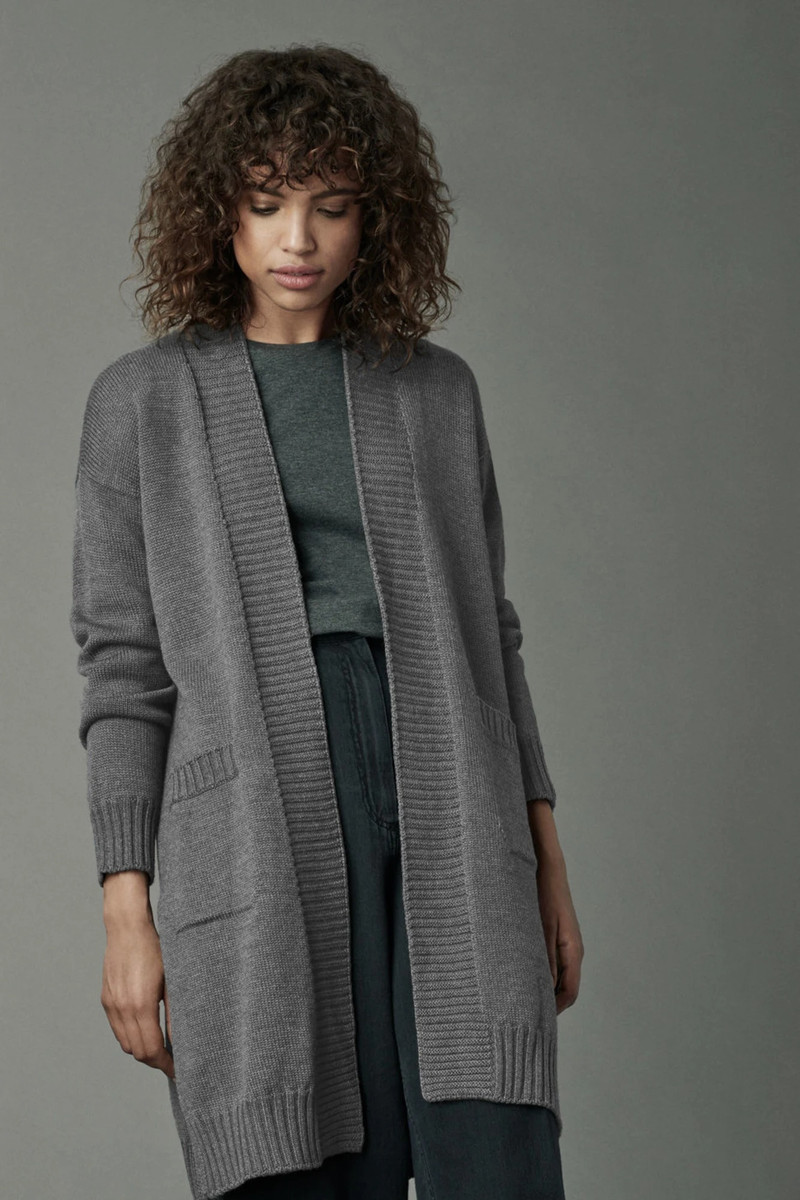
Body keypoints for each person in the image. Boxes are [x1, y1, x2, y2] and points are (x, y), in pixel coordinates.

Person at [70, 44, 584, 1200]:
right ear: (219, 212)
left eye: (331, 206)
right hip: (257, 801)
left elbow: (491, 638)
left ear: (374, 220)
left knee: (491, 1144)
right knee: (299, 1153)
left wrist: (546, 860)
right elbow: (123, 670)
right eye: (265, 203)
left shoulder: (437, 393)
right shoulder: (140, 404)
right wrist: (125, 909)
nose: (295, 239)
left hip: (452, 784)